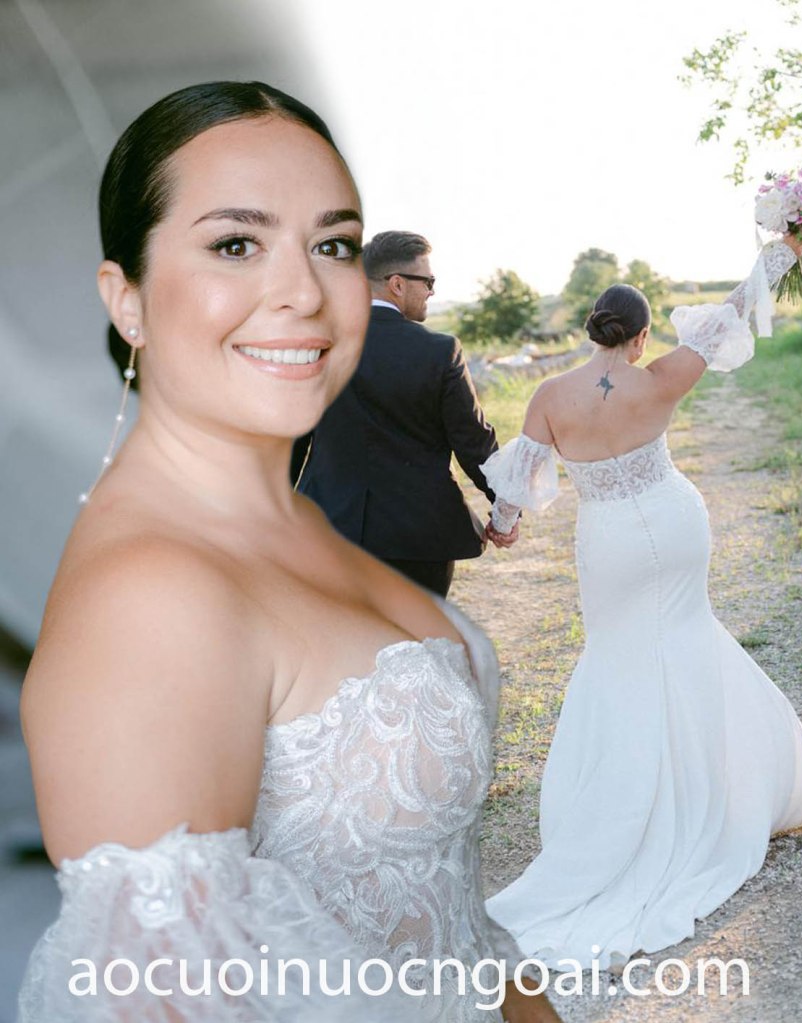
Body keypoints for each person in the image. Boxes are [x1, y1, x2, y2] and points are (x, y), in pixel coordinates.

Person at [17, 82, 560, 1022]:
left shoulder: (289, 518)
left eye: (333, 244)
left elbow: (454, 917)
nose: (304, 292)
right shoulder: (149, 598)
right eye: (236, 243)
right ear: (127, 300)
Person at [480, 234, 802, 971]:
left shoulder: (550, 396)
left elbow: (519, 483)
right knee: (689, 638)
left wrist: (501, 526)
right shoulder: (663, 376)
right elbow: (734, 310)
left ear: (592, 330)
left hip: (609, 542)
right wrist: (785, 248)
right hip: (674, 523)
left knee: (621, 657)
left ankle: (633, 801)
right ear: (639, 337)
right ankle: (719, 790)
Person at [294, 230, 503, 597]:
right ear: (397, 284)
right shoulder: (439, 351)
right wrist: (504, 507)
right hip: (419, 537)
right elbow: (473, 442)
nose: (432, 292)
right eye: (428, 282)